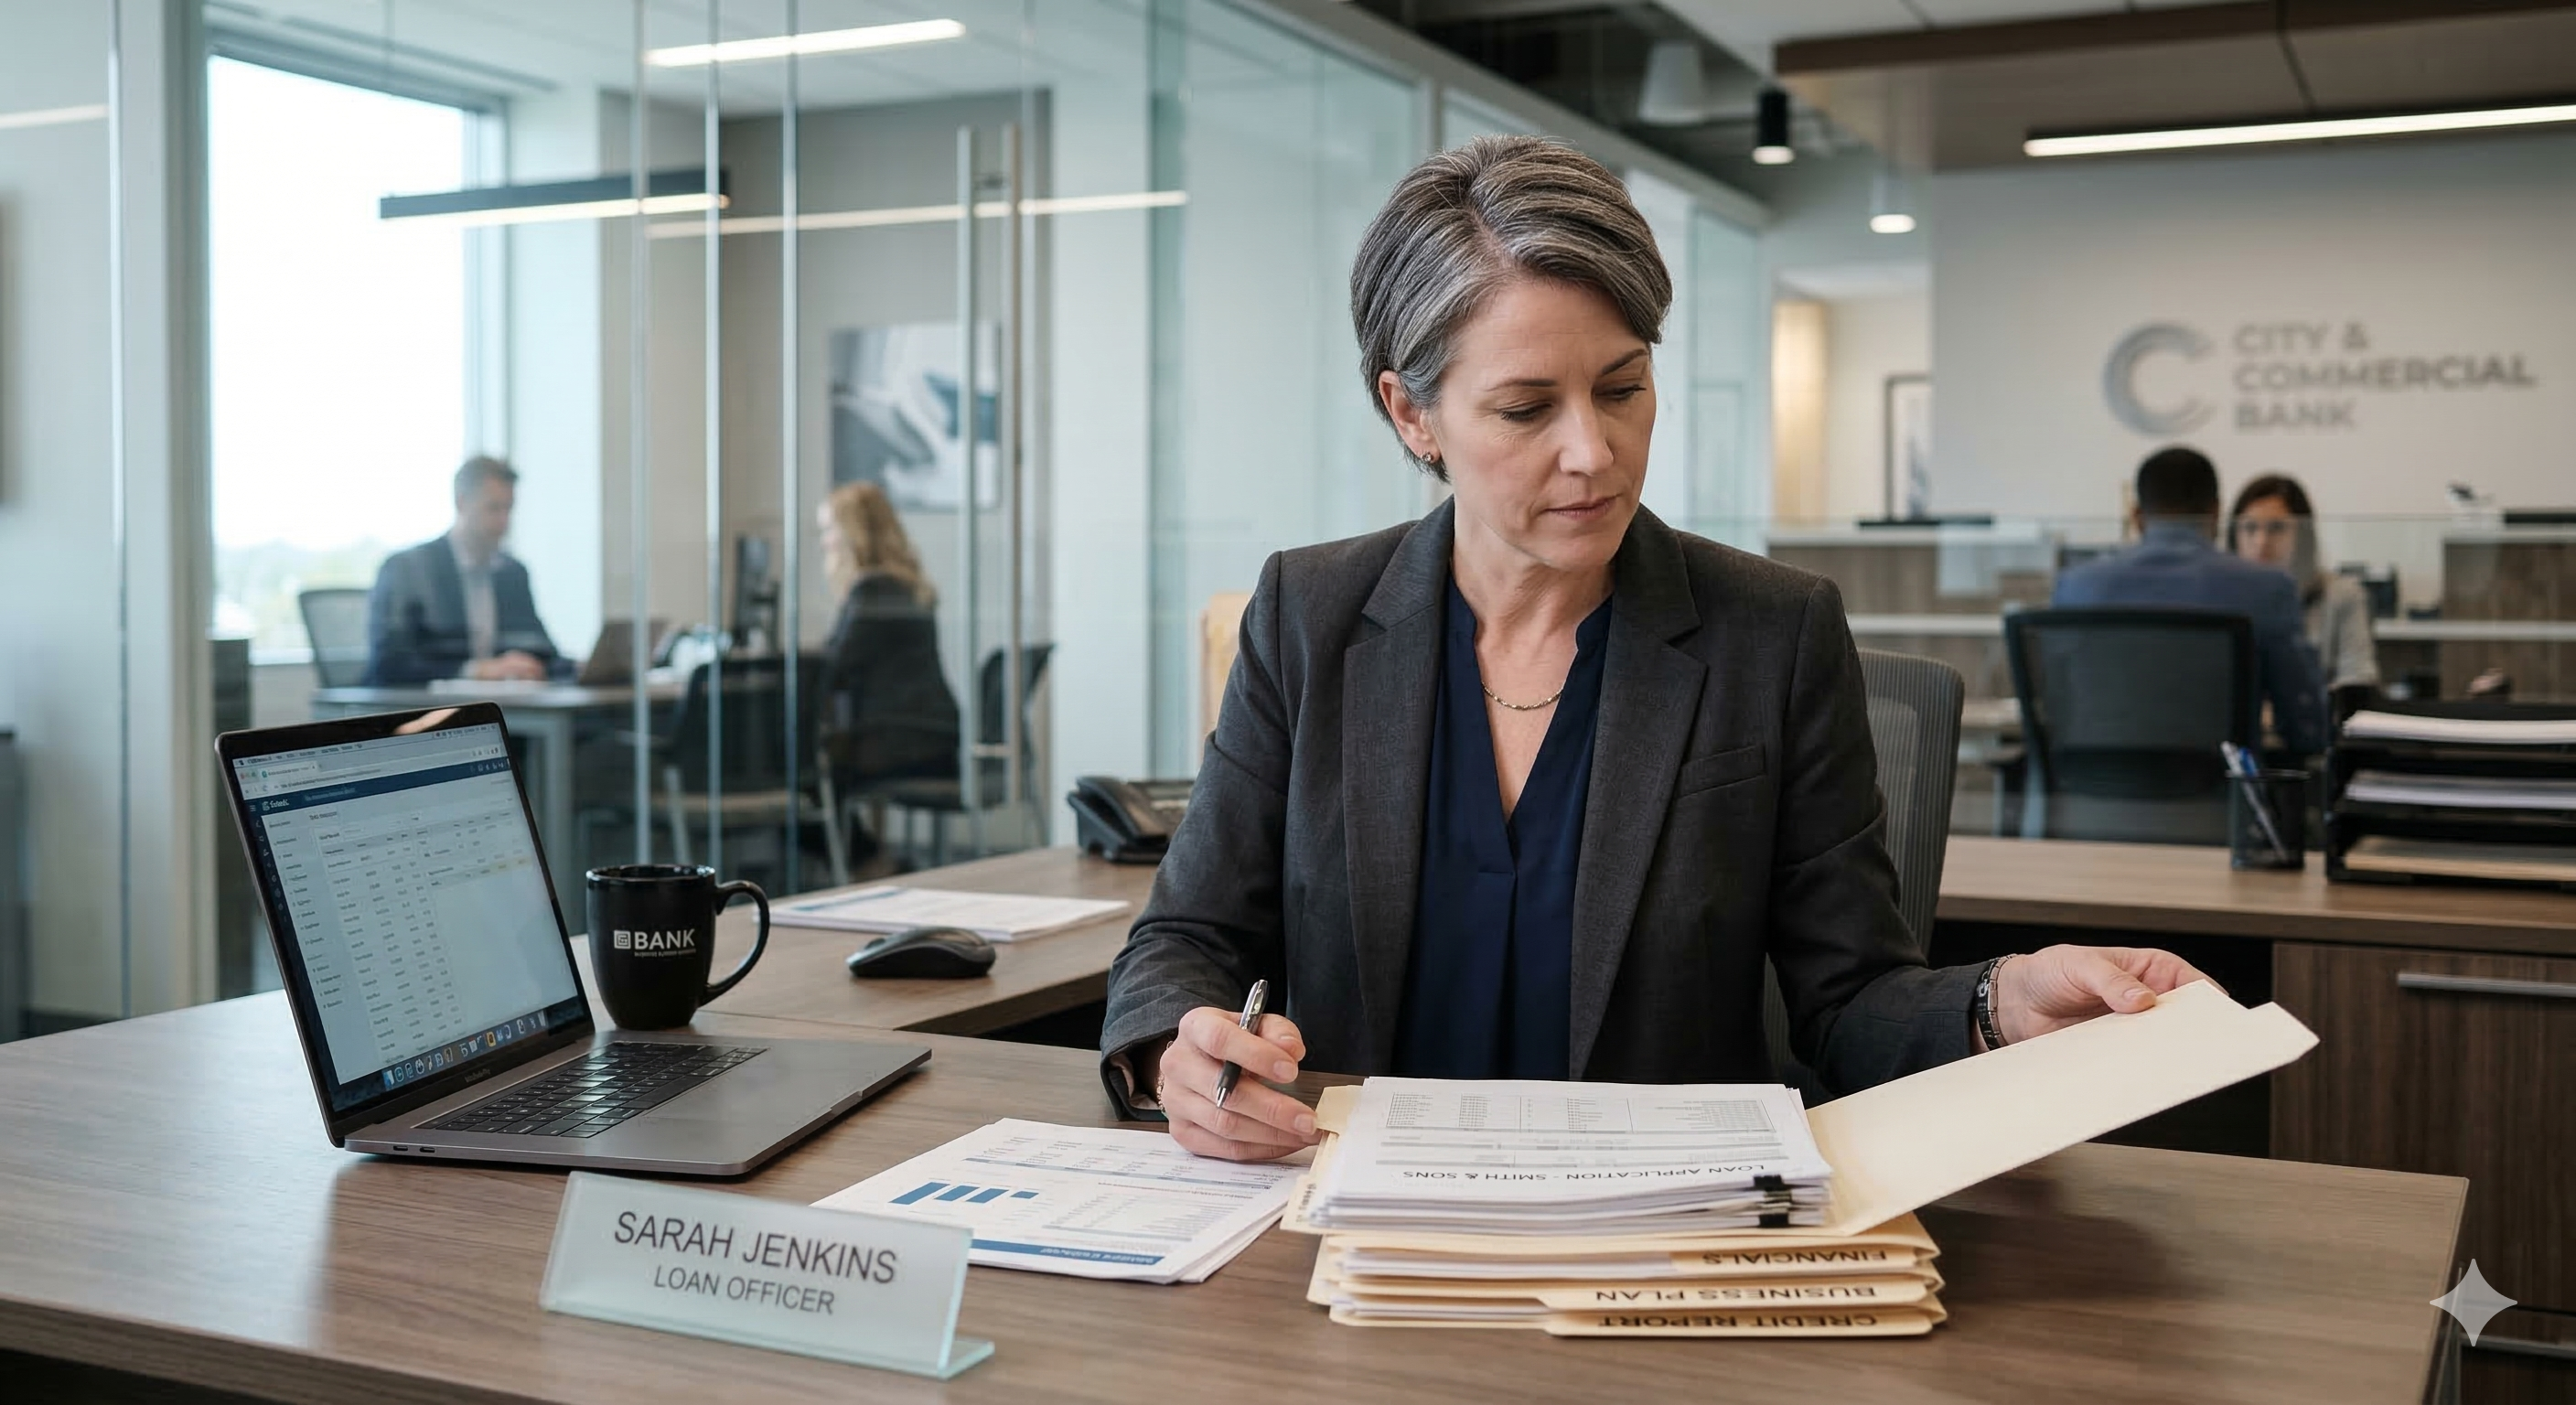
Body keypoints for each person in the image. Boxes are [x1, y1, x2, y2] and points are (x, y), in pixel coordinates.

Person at [1100, 135, 2212, 1164]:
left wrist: (1999, 1001)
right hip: (1358, 1226)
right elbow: (1187, 936)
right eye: (1527, 409)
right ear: (1411, 415)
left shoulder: (1770, 633)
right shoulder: (1311, 613)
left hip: (1658, 1232)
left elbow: (1850, 999)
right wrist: (1175, 1051)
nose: (1594, 450)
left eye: (1623, 388)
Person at [2052, 447, 2329, 756]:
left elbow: (2058, 710)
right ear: (2215, 513)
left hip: (2091, 796)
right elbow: (2306, 728)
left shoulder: (2076, 587)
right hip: (2220, 798)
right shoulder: (2267, 589)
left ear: (2137, 517)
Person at [814, 483, 962, 864]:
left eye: (829, 530)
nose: (825, 542)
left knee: (798, 776)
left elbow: (833, 667)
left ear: (853, 534)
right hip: (932, 737)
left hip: (900, 741)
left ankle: (869, 864)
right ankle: (874, 860)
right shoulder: (906, 586)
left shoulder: (873, 592)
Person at [364, 456, 567, 685]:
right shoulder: (407, 569)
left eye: (509, 509)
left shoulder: (513, 573)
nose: (504, 521)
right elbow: (389, 666)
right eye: (493, 508)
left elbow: (542, 652)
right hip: (427, 709)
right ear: (461, 503)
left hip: (505, 705)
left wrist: (580, 669)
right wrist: (475, 670)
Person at [2228, 474, 2380, 692]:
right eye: (2250, 528)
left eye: (2276, 528)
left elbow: (2357, 681)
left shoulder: (2343, 595)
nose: (2261, 542)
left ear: (2302, 535)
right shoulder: (2221, 598)